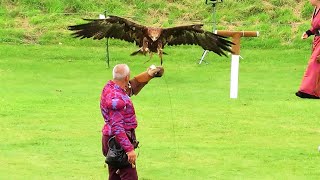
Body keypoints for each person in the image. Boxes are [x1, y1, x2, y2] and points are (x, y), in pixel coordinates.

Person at [100, 64, 164, 180]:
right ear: (126, 77)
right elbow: (117, 127)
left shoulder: (111, 87)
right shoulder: (116, 99)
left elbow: (129, 88)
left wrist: (148, 75)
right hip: (118, 142)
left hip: (111, 140)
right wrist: (129, 150)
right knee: (130, 177)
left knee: (115, 177)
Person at [296, 0, 320, 99]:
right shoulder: (316, 9)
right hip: (317, 40)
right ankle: (313, 91)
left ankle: (307, 91)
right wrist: (308, 33)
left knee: (314, 63)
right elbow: (316, 26)